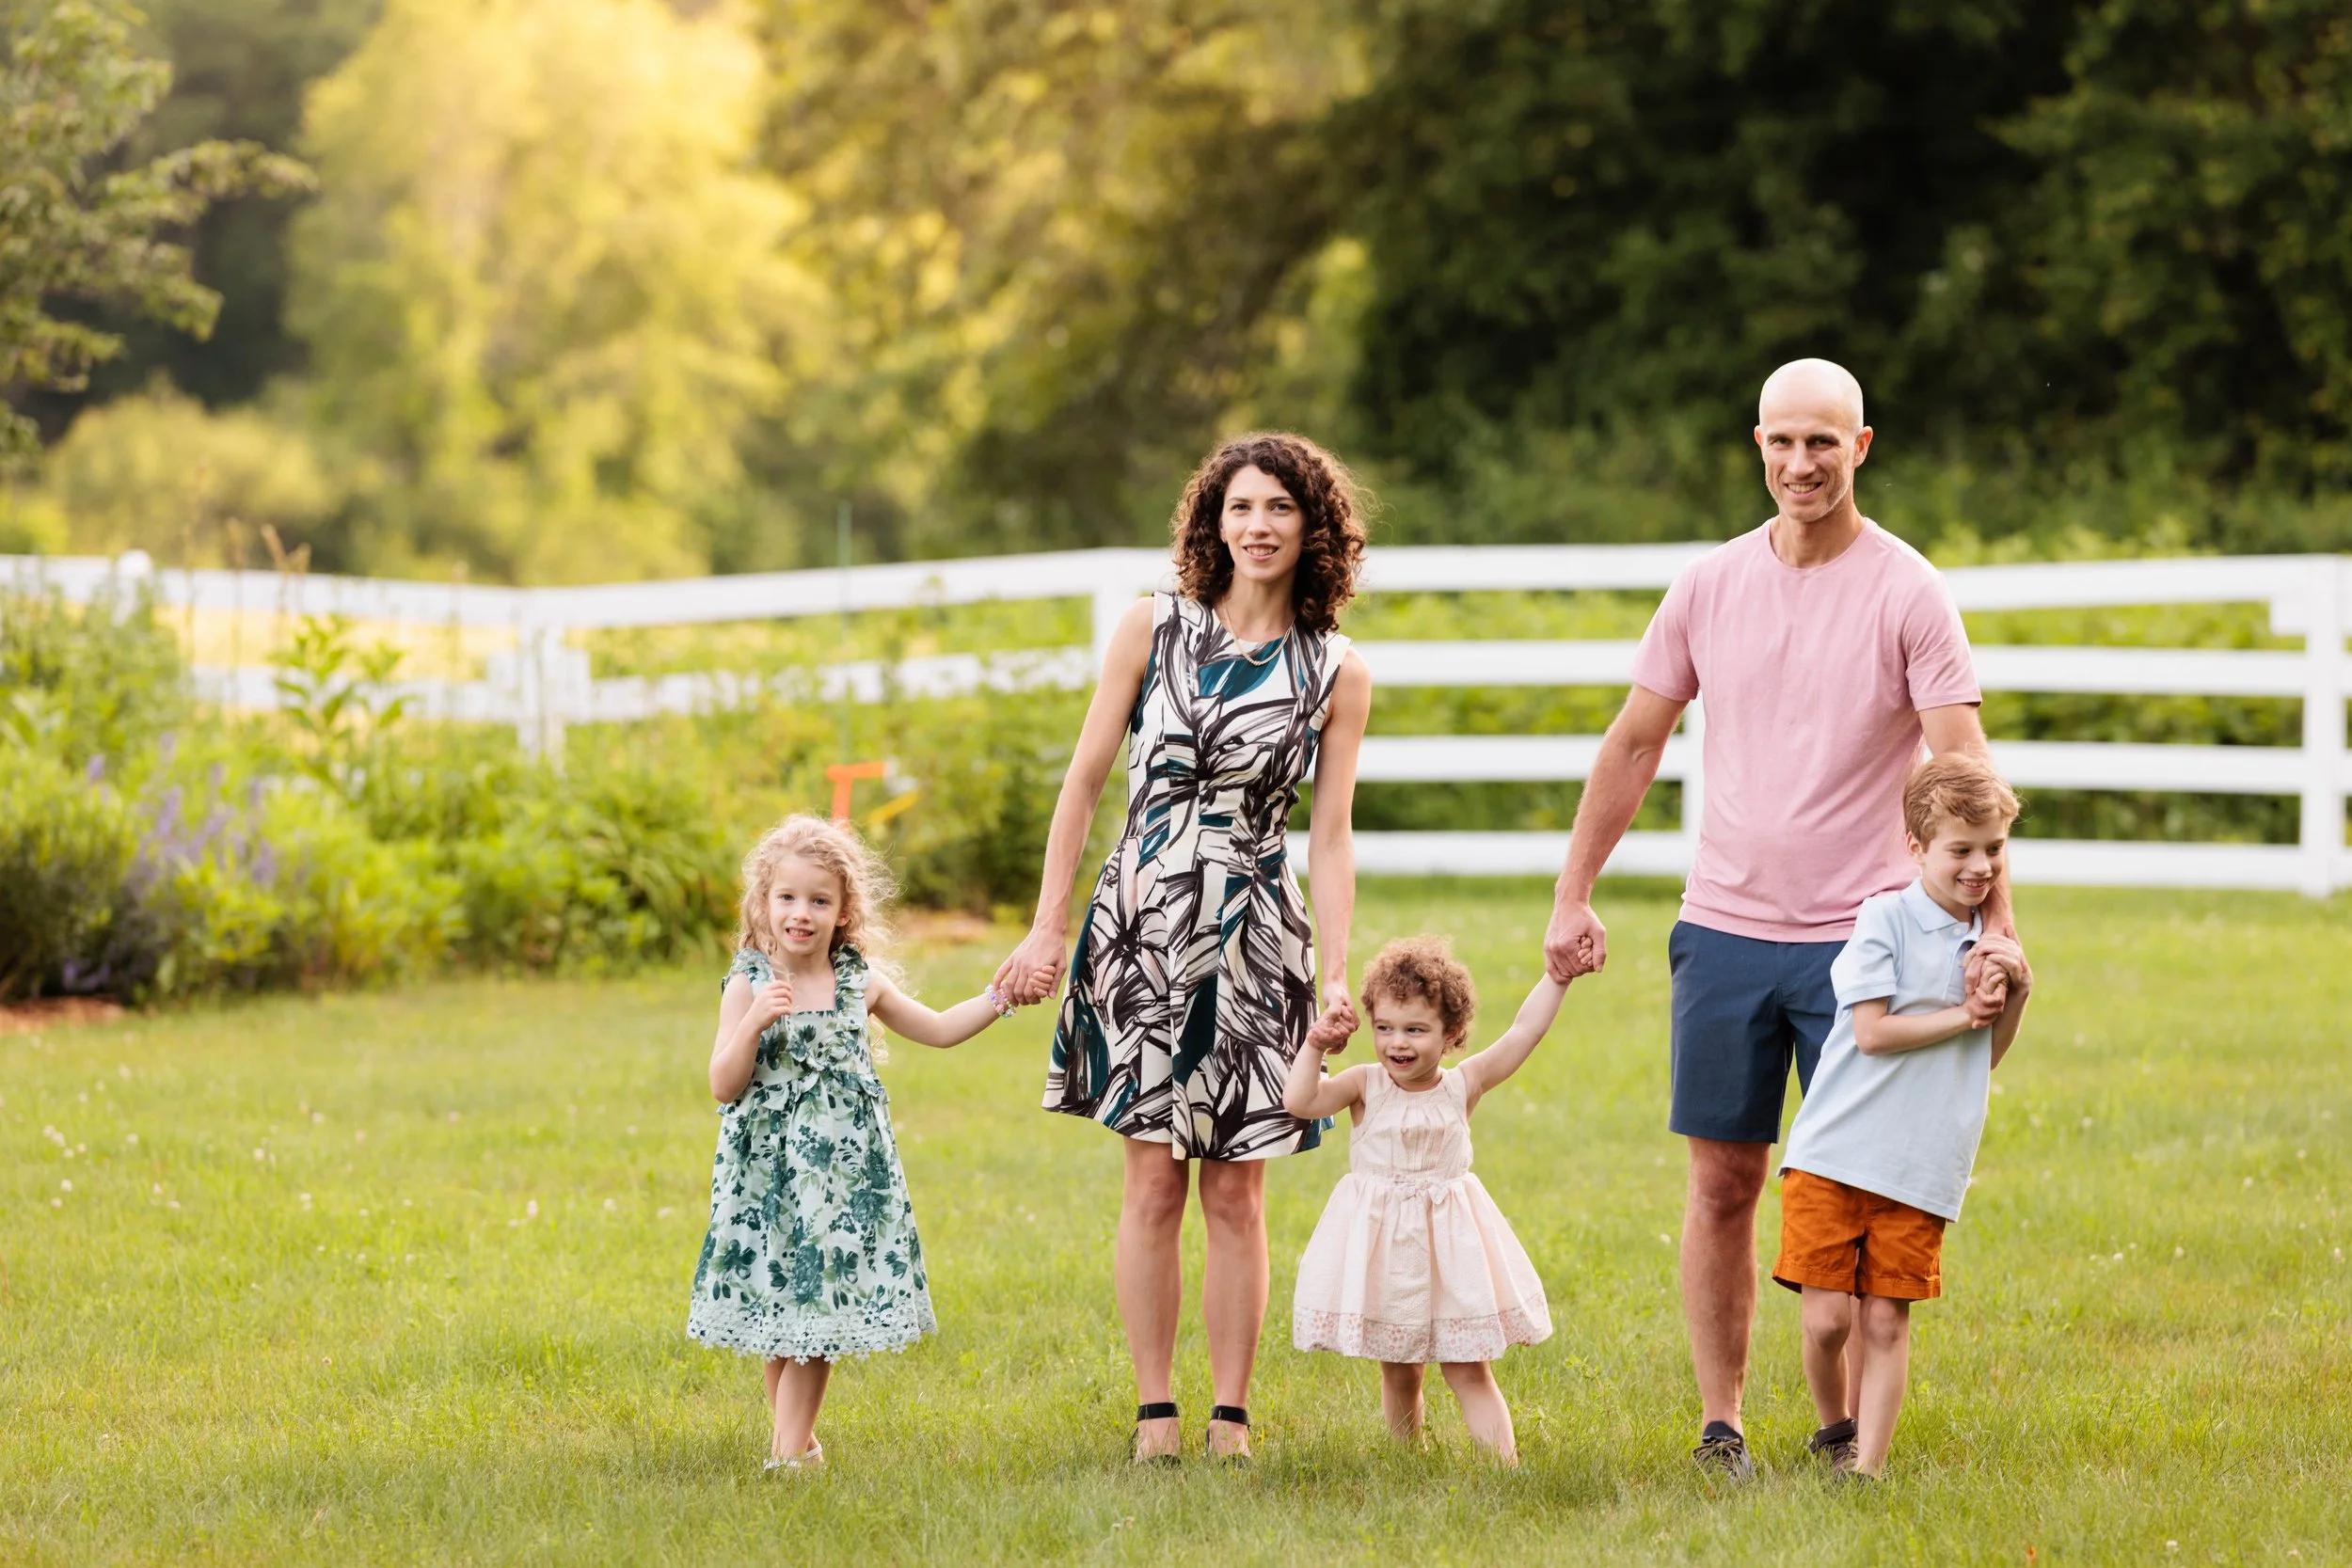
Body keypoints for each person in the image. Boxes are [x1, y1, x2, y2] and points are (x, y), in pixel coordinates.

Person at [1541, 358, 2020, 1479]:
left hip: (1868, 939)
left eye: (1821, 442)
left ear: (1861, 446)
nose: (1798, 463)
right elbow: (1633, 742)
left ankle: (1846, 1423)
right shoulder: (1708, 585)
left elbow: (1964, 768)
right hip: (1723, 932)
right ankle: (1721, 1424)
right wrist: (1573, 890)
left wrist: (1995, 924)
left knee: (1855, 1185)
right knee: (1721, 1182)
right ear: (1755, 444)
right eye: (1779, 442)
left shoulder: (1907, 589)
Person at [993, 432, 1373, 1465]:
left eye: (1280, 509)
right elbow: (1081, 783)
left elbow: (1329, 835)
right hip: (1141, 927)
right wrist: (1047, 920)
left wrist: (1335, 972)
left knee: (1237, 1186)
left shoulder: (1336, 668)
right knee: (1153, 1179)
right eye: (1240, 507)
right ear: (1213, 519)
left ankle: (1232, 1413)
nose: (1258, 526)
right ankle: (1155, 1407)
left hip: (1256, 935)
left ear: (1313, 529)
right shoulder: (1150, 628)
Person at [688, 814, 1015, 1471]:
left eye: (819, 900)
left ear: (843, 912)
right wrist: (753, 1020)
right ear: (763, 902)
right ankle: (800, 1443)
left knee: (817, 1312)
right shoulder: (748, 981)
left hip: (840, 1174)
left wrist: (1001, 995)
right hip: (765, 1176)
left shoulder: (857, 983)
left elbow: (941, 1028)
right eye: (787, 897)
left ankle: (785, 1458)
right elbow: (723, 1083)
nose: (800, 913)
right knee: (780, 1316)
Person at [1774, 753, 2032, 1481]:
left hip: (1921, 1163)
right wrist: (1961, 1013)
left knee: (1886, 1318)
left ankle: (1868, 1471)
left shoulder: (1992, 942)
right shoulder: (1885, 917)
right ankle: (1835, 1429)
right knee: (1827, 1320)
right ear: (1918, 848)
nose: (1980, 865)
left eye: (1994, 848)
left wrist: (2013, 996)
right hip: (1835, 1151)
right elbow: (1871, 1032)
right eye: (1962, 849)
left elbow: (1983, 1057)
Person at [1281, 937, 1566, 1466]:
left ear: (1450, 1033)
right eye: (1385, 1028)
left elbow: (1524, 1032)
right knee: (1398, 1365)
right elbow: (1300, 1101)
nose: (1397, 1043)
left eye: (1416, 1029)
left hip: (1450, 1251)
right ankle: (1407, 1456)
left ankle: (1505, 1470)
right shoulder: (1364, 1085)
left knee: (1467, 1366)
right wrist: (1316, 1045)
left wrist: (1558, 978)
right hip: (1386, 1250)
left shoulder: (1464, 1084)